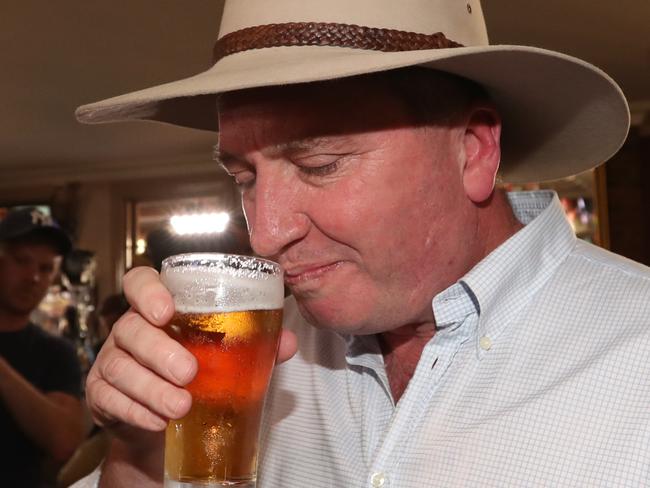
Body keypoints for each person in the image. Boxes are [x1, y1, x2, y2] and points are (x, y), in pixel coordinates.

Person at [74, 1, 650, 486]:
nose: (267, 235)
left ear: (472, 149)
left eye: (320, 164)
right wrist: (139, 452)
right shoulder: (240, 362)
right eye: (244, 179)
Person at [0, 207, 85, 487]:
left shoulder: (56, 352)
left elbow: (64, 443)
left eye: (45, 268)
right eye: (21, 261)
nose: (33, 277)